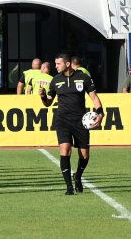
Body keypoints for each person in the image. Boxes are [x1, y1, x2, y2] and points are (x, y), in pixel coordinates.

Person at [40, 51, 104, 195]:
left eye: (58, 64)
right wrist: (43, 96)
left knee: (85, 155)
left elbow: (94, 98)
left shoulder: (83, 78)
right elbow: (48, 103)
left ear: (67, 64)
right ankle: (69, 187)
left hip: (80, 121)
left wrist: (100, 113)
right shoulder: (55, 80)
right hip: (62, 120)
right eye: (55, 64)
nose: (55, 66)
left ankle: (78, 177)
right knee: (65, 149)